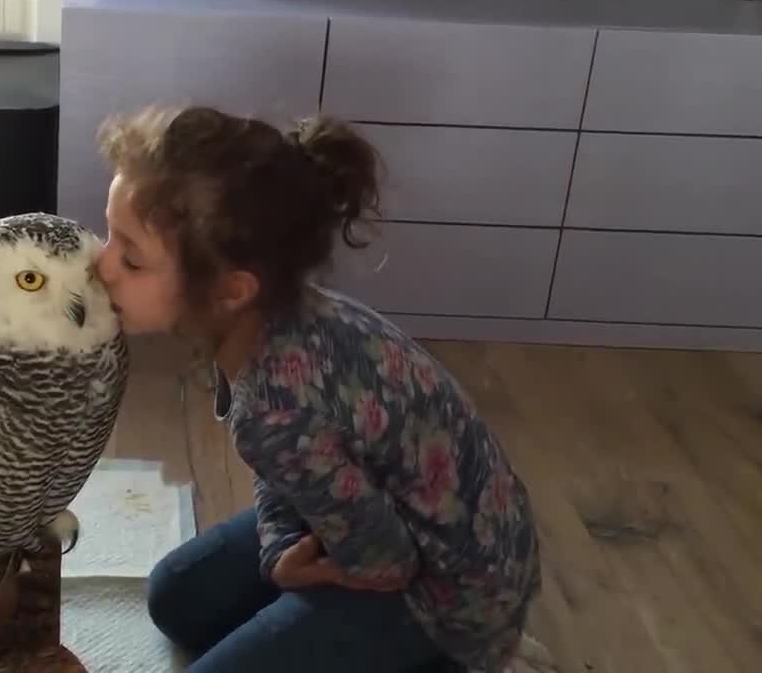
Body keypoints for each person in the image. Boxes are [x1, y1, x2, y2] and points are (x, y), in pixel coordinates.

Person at [90, 104, 541, 673]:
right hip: (413, 522)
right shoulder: (269, 321)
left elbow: (386, 561)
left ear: (231, 290)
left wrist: (294, 562)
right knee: (175, 596)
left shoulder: (279, 406)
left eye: (130, 258)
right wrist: (283, 551)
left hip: (445, 599)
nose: (102, 266)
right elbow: (293, 471)